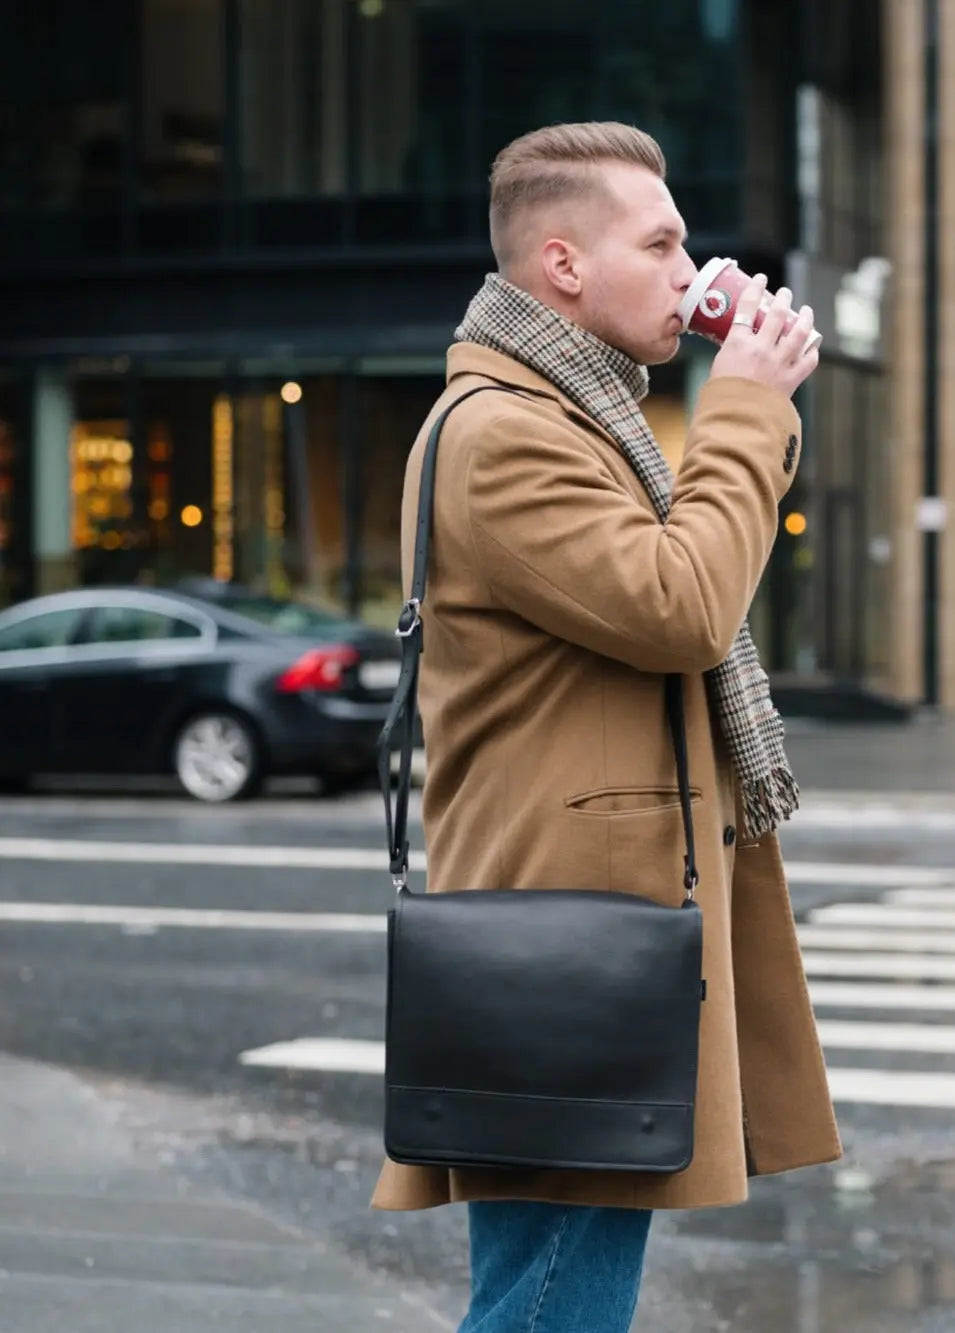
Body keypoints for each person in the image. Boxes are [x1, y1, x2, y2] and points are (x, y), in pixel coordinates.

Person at [371, 121, 841, 1332]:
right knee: (547, 1303)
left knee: (555, 1286)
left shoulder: (572, 417)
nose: (692, 267)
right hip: (572, 942)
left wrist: (736, 409)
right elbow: (683, 604)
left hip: (594, 924)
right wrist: (740, 408)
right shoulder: (505, 433)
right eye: (662, 240)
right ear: (564, 265)